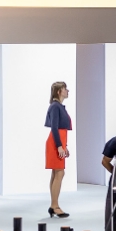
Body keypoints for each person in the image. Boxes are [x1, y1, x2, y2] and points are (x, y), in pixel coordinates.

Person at [45, 81, 72, 219]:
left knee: (56, 173)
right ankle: (55, 206)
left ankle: (53, 205)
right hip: (55, 142)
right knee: (59, 173)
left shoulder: (58, 106)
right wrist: (60, 146)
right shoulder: (55, 106)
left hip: (58, 141)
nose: (67, 91)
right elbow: (54, 128)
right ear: (59, 91)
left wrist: (64, 146)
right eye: (65, 89)